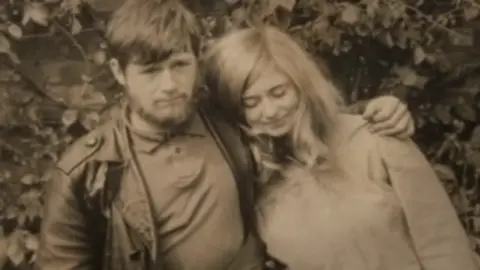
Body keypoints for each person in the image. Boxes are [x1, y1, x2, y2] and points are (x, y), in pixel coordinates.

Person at [36, 0, 414, 269]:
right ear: (120, 74)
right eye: (150, 72)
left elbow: (294, 116)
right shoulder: (87, 171)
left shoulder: (225, 120)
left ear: (196, 62)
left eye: (179, 65)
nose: (169, 84)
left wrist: (373, 111)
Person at [203, 25, 479, 270]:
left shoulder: (376, 137)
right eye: (251, 102)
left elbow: (443, 244)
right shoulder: (251, 180)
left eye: (278, 92)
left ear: (301, 85)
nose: (270, 110)